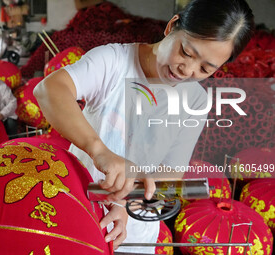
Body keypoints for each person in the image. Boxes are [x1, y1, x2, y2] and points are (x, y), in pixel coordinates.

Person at [34, 0, 254, 252]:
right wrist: (100, 151)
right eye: (186, 52)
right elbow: (49, 89)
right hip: (77, 209)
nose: (187, 70)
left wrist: (124, 200)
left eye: (205, 68)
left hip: (134, 231)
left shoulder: (195, 100)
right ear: (172, 26)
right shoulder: (114, 61)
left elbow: (171, 172)